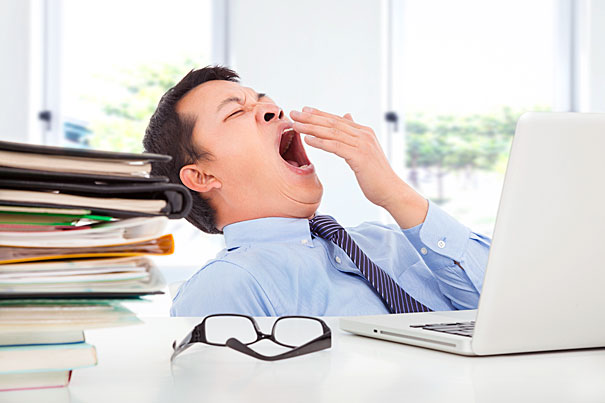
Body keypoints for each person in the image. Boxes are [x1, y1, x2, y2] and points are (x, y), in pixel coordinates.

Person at [143, 66, 491, 317]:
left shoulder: (390, 241)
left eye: (264, 101)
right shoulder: (226, 286)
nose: (273, 110)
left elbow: (506, 310)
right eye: (235, 112)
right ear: (202, 176)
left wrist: (396, 195)